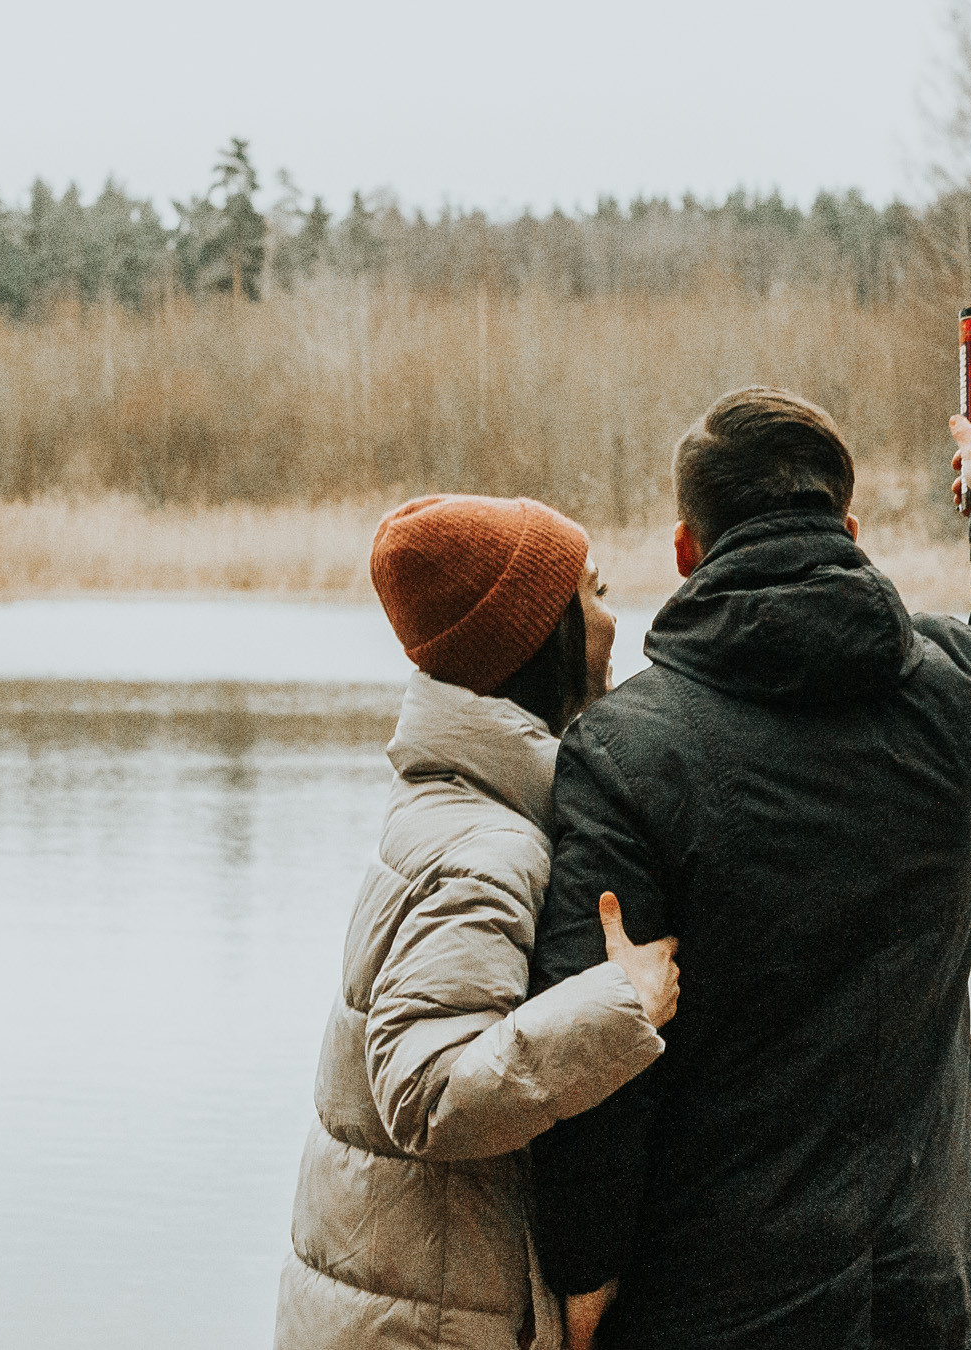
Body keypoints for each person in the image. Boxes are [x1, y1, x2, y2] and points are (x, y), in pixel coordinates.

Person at [528, 388, 971, 1350]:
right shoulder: (956, 704)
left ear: (685, 551)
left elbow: (600, 1062)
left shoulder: (624, 753)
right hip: (939, 1301)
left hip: (710, 1306)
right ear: (851, 530)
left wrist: (584, 1280)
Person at [277, 494, 684, 1350]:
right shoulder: (486, 848)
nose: (614, 621)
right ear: (541, 639)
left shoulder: (461, 803)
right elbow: (425, 1096)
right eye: (595, 595)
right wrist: (619, 1005)